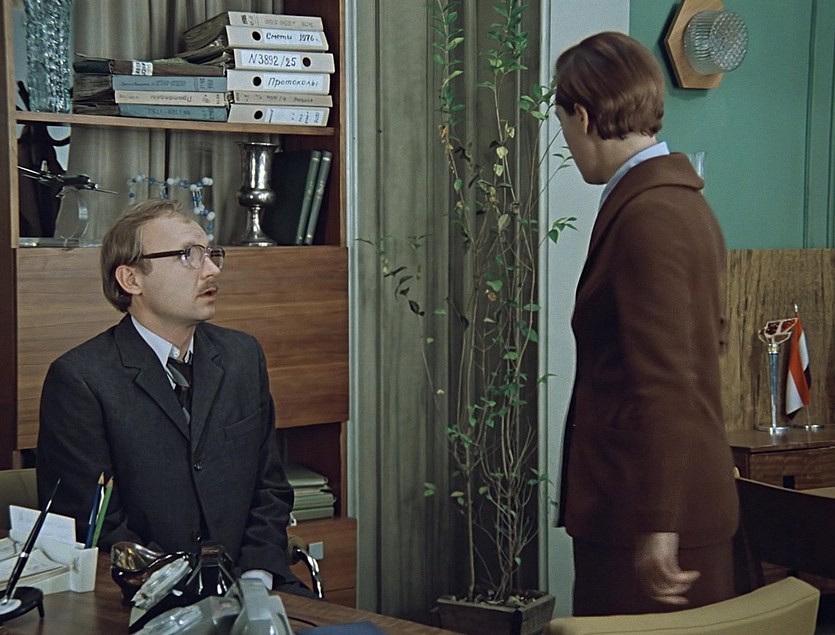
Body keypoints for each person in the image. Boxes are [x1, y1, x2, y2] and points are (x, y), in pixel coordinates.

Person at [553, 32, 739, 616]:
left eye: (561, 121)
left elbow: (668, 381)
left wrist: (660, 523)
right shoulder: (674, 200)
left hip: (648, 516)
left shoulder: (651, 215)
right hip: (651, 504)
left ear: (583, 116)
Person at [36, 199, 311, 596]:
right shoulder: (81, 379)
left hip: (253, 582)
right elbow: (92, 525)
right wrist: (182, 592)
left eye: (211, 254)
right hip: (145, 597)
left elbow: (270, 488)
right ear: (132, 279)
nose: (212, 269)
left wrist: (255, 578)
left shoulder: (242, 356)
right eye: (188, 255)